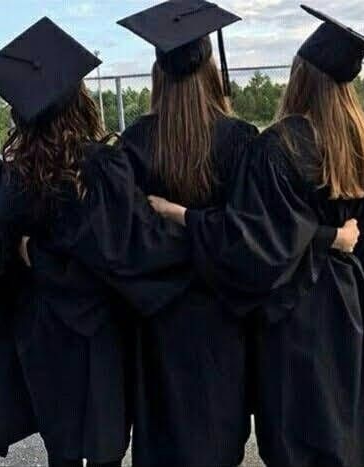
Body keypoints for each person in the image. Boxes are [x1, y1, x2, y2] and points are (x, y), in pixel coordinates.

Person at [149, 6, 364, 466]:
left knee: (295, 439)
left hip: (295, 310)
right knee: (342, 431)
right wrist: (344, 253)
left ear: (300, 75)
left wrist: (183, 216)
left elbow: (256, 244)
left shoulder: (278, 147)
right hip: (347, 304)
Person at [0, 17, 188, 467]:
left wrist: (34, 255)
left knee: (62, 445)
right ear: (80, 103)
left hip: (41, 334)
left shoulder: (11, 176)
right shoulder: (102, 170)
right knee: (104, 446)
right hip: (99, 332)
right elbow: (130, 252)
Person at [115, 2, 259, 466]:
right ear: (211, 70)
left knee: (163, 441)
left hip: (158, 320)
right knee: (217, 440)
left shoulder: (134, 141)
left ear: (159, 72)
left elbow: (125, 243)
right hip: (220, 316)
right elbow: (248, 239)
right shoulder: (239, 138)